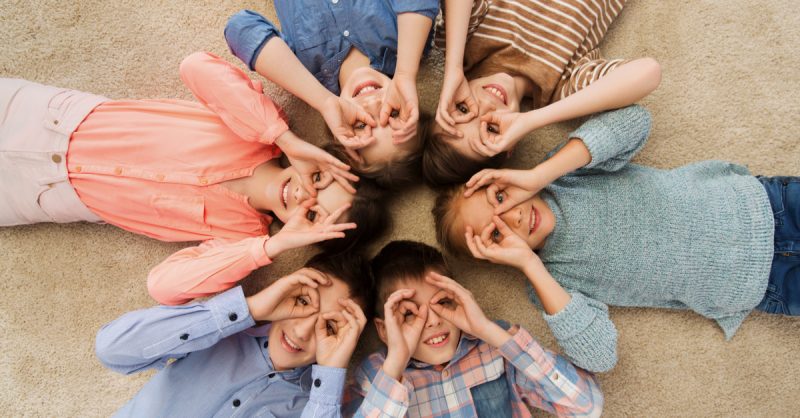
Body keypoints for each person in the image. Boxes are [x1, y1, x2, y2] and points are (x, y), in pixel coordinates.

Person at [0, 51, 388, 305]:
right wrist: (285, 138)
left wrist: (271, 248)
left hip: (35, 195)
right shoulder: (260, 128)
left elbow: (164, 286)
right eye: (320, 182)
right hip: (46, 118)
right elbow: (195, 67)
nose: (305, 197)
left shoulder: (241, 239)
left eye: (315, 216)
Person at [432, 105, 798, 373]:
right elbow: (600, 357)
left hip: (761, 204)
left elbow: (637, 120)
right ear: (497, 256)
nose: (512, 217)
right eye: (496, 233)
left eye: (499, 198)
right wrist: (530, 265)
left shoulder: (563, 174)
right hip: (762, 285)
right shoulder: (551, 284)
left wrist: (539, 175)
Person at [96, 251, 372, 417]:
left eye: (330, 327)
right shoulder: (218, 333)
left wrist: (332, 370)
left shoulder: (314, 406)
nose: (301, 331)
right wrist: (250, 308)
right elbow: (112, 349)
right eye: (302, 302)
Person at [345, 240, 603, 417]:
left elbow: (586, 406)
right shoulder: (375, 375)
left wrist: (489, 331)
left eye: (443, 302)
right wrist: (396, 363)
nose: (433, 321)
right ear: (383, 329)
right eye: (410, 314)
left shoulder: (495, 348)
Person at [423, 0, 661, 186]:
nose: (485, 106)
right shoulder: (563, 88)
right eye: (491, 127)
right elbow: (648, 72)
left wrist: (453, 67)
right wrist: (532, 120)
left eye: (464, 109)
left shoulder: (465, 42)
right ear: (511, 143)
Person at [225, 0, 439, 188]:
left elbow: (240, 27)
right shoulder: (406, 42)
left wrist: (324, 101)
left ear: (339, 132)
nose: (373, 104)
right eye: (391, 113)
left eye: (362, 124)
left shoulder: (304, 75)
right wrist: (405, 72)